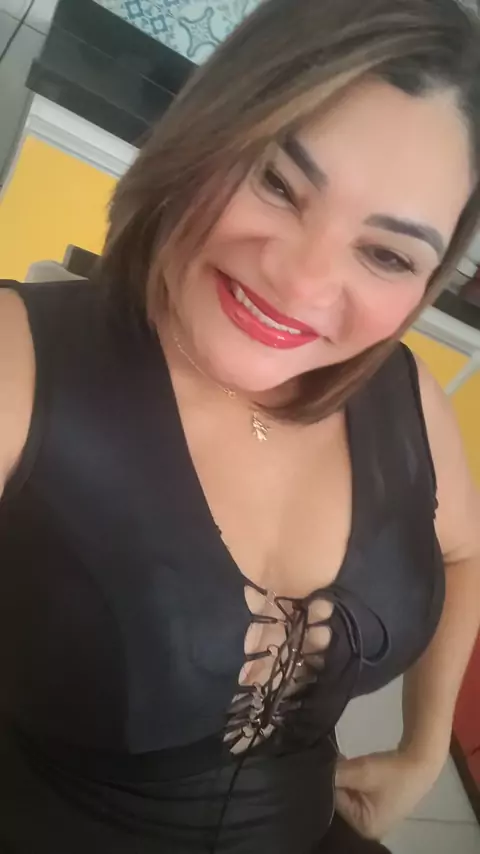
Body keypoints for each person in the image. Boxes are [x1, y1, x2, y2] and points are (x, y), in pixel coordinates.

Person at [1, 0, 480, 851]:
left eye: (387, 254)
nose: (302, 283)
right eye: (278, 183)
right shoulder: (19, 363)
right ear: (210, 133)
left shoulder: (408, 397)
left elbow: (465, 552)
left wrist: (421, 749)